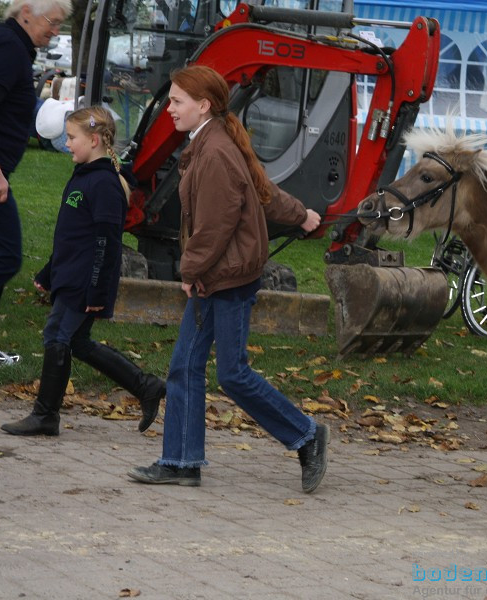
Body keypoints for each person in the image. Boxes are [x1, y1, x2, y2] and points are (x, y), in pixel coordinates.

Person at [128, 65, 328, 492]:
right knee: (184, 367)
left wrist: (190, 270)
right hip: (218, 276)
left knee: (232, 374)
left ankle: (308, 435)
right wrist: (301, 215)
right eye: (170, 101)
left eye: (177, 101)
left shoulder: (215, 151)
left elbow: (216, 225)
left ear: (203, 106)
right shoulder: (211, 141)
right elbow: (262, 192)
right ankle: (181, 462)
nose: (169, 109)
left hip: (227, 278)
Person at [1, 107, 166, 436]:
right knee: (77, 341)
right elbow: (72, 236)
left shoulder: (104, 184)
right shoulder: (84, 177)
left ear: (93, 140)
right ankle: (146, 386)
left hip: (83, 280)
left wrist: (95, 290)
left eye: (72, 138)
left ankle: (46, 415)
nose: (66, 143)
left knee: (57, 335)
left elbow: (106, 243)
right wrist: (49, 271)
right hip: (71, 274)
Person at [0, 0, 71, 368]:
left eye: (60, 25)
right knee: (4, 256)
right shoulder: (9, 47)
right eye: (52, 22)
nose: (55, 31)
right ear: (26, 12)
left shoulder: (11, 45)